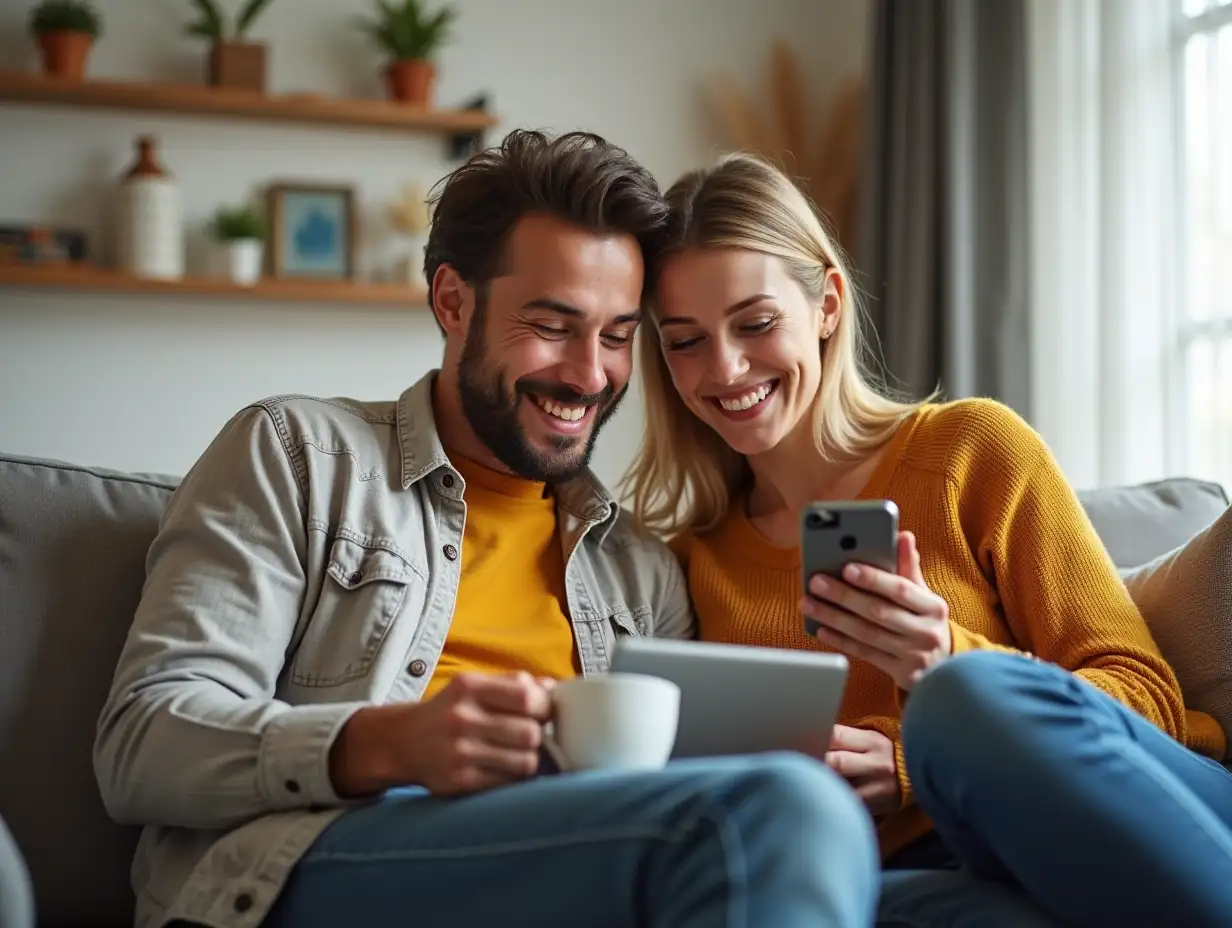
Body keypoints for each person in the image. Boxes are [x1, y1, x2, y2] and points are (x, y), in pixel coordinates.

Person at [92, 130, 880, 928]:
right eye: (551, 324)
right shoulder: (298, 455)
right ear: (452, 301)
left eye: (616, 336)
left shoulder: (640, 569)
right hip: (310, 868)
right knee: (786, 810)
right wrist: (391, 744)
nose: (589, 374)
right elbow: (142, 743)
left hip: (565, 875)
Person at [623, 151, 1232, 928]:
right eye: (685, 340)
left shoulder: (969, 452)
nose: (727, 366)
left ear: (828, 305)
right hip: (935, 873)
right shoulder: (694, 561)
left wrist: (938, 674)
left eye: (757, 323)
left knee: (961, 696)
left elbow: (1149, 700)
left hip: (1146, 812)